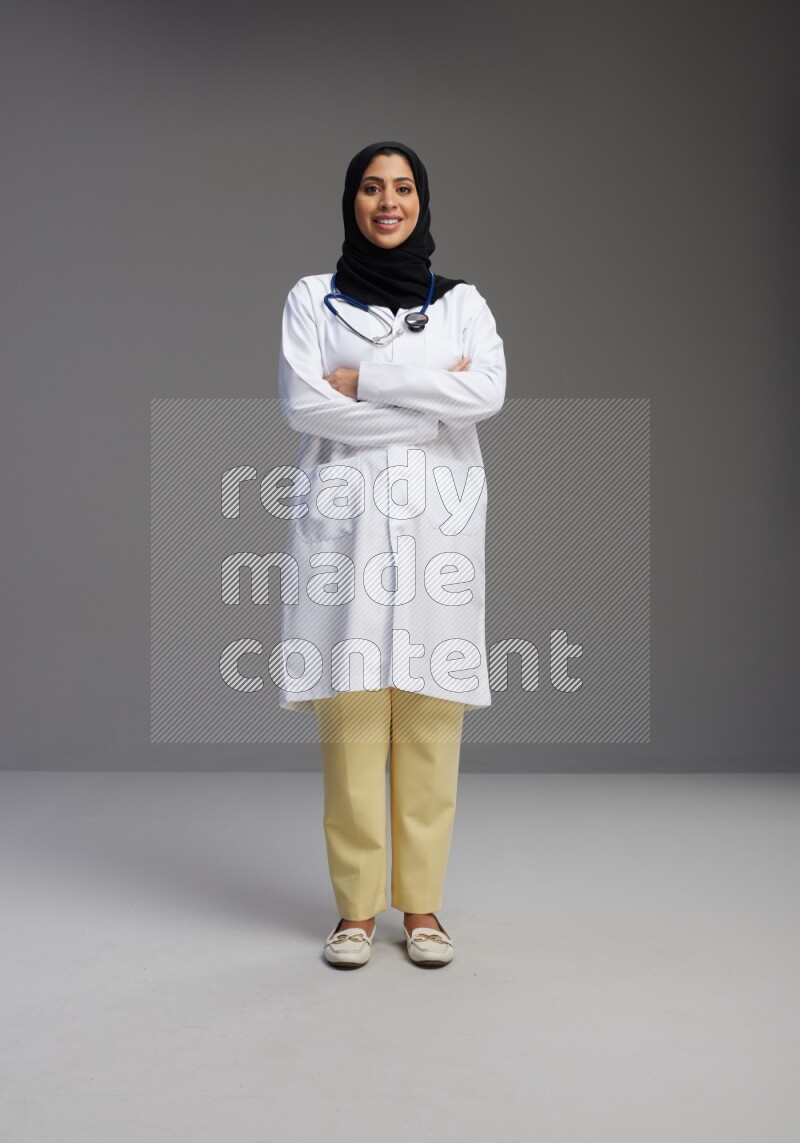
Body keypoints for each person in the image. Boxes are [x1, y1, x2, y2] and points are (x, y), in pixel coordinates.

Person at [276, 140, 506, 968]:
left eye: (402, 188)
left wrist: (366, 382)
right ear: (351, 200)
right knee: (353, 732)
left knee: (429, 732)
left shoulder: (463, 303)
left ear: (422, 200)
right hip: (348, 539)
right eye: (372, 188)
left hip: (436, 537)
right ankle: (353, 912)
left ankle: (422, 910)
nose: (387, 202)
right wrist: (427, 402)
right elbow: (307, 404)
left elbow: (486, 393)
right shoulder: (312, 298)